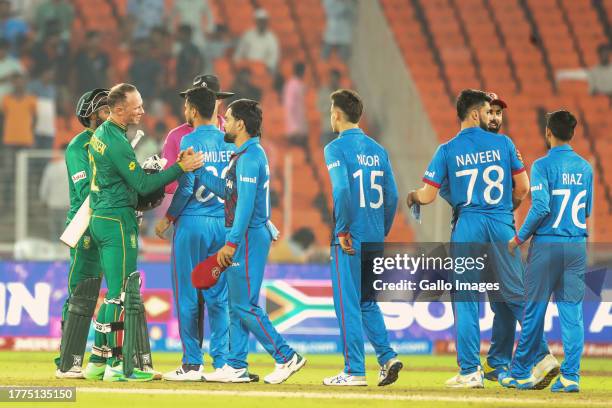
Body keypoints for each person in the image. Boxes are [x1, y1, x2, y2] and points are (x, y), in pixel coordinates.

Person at [406, 89, 553, 388]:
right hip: (502, 224)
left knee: (467, 299)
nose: (491, 115)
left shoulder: (446, 150)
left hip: (469, 226)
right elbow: (523, 188)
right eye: (488, 111)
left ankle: (471, 371)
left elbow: (429, 195)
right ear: (475, 114)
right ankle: (543, 355)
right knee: (515, 294)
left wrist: (412, 196)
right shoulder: (504, 143)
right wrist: (501, 211)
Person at [87, 83, 204, 382]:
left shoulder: (102, 134)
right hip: (116, 221)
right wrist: (180, 166)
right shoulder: (115, 140)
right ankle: (116, 366)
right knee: (120, 295)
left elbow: (124, 177)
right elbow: (143, 186)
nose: (142, 109)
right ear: (119, 109)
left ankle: (97, 362)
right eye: (137, 105)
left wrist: (143, 169)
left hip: (102, 217)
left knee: (113, 294)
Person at [192, 98, 306, 384]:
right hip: (247, 233)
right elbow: (228, 192)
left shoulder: (250, 157)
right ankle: (236, 365)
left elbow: (243, 206)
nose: (224, 123)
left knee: (245, 305)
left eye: (228, 119)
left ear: (241, 124)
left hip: (246, 235)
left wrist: (231, 242)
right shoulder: (245, 155)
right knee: (237, 303)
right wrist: (199, 172)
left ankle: (286, 356)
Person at [501, 111, 592, 392]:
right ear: (572, 134)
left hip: (548, 246)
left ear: (548, 133)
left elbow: (540, 207)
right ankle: (570, 377)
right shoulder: (586, 168)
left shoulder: (542, 166)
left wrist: (518, 238)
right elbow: (586, 210)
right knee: (572, 313)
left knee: (534, 310)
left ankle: (520, 373)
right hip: (576, 245)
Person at [321, 89, 401, 386]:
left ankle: (354, 370)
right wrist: (381, 231)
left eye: (331, 111)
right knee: (368, 301)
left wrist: (342, 230)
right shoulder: (379, 150)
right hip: (374, 238)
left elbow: (341, 190)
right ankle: (387, 357)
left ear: (338, 114)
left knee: (349, 304)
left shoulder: (336, 148)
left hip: (350, 239)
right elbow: (391, 196)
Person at [155, 86, 235, 381]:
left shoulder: (188, 140)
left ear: (191, 109)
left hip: (191, 224)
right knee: (218, 295)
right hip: (221, 224)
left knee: (188, 294)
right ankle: (223, 363)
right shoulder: (229, 141)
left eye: (186, 106)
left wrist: (168, 218)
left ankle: (191, 364)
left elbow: (186, 187)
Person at [54, 88, 110, 379]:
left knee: (117, 295)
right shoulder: (79, 146)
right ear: (90, 114)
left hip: (111, 223)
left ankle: (111, 360)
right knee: (81, 292)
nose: (110, 113)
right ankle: (68, 358)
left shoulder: (114, 140)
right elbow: (85, 189)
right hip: (85, 224)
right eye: (105, 109)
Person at [161, 74, 234, 196]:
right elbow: (168, 185)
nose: (203, 102)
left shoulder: (233, 133)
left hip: (225, 211)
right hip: (192, 209)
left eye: (209, 97)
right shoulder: (175, 136)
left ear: (220, 100)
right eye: (199, 98)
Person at [233, 8, 279, 73]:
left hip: (263, 70)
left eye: (264, 21)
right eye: (260, 21)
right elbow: (239, 53)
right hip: (247, 69)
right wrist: (238, 65)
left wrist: (265, 68)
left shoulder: (272, 38)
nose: (262, 23)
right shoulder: (248, 35)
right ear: (256, 21)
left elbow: (273, 57)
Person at [283, 62, 308, 150]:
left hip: (302, 128)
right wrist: (294, 128)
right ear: (301, 71)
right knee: (296, 153)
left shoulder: (299, 84)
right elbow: (289, 107)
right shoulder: (291, 85)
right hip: (295, 130)